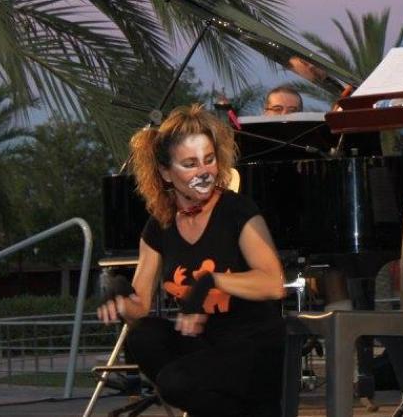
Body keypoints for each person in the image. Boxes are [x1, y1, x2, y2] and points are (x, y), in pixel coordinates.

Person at [97, 105, 286, 417]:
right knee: (143, 336)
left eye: (209, 160)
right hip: (205, 347)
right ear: (166, 173)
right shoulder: (160, 224)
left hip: (254, 347)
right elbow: (139, 307)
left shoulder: (238, 210)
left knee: (175, 382)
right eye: (189, 163)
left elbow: (273, 283)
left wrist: (211, 281)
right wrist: (116, 292)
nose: (204, 171)